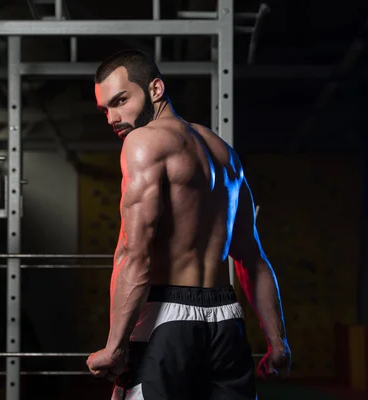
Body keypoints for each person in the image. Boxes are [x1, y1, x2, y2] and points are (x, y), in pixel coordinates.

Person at [86, 49, 290, 400]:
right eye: (105, 109)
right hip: (226, 320)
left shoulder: (143, 142)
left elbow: (134, 255)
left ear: (155, 89)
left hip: (166, 320)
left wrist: (115, 347)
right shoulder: (224, 153)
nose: (112, 118)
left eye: (120, 101)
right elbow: (252, 258)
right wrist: (277, 340)